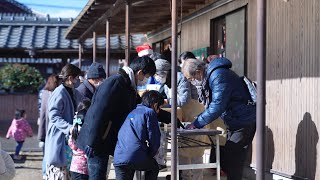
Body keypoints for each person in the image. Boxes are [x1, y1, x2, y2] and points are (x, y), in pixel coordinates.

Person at [76, 55, 156, 180]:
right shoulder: (116, 82)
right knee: (97, 176)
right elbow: (98, 111)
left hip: (105, 139)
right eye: (146, 77)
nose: (145, 80)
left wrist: (169, 116)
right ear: (140, 72)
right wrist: (91, 142)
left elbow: (141, 106)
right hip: (97, 140)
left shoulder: (128, 85)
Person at [181, 57, 256, 180]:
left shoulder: (218, 76)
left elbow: (217, 105)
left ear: (199, 71)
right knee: (230, 156)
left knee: (233, 158)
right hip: (235, 119)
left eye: (191, 79)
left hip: (243, 119)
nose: (192, 82)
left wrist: (196, 123)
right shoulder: (212, 75)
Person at [44, 64, 84, 180]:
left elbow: (86, 103)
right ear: (70, 78)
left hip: (69, 141)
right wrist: (69, 128)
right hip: (60, 138)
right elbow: (54, 116)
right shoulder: (59, 92)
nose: (78, 80)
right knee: (59, 174)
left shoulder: (74, 92)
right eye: (77, 78)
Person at [114, 90, 163, 180]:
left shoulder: (133, 111)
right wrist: (151, 153)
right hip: (135, 156)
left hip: (119, 157)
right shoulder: (149, 112)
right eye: (159, 107)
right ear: (155, 105)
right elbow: (154, 139)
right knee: (154, 167)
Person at [38, 74, 59, 179]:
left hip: (46, 127)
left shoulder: (44, 93)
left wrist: (41, 133)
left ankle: (45, 173)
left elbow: (42, 113)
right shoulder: (59, 92)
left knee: (47, 152)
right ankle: (48, 172)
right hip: (54, 127)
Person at [68, 99, 91, 180]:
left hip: (74, 166)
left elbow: (71, 145)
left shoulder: (73, 129)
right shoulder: (87, 131)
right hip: (84, 168)